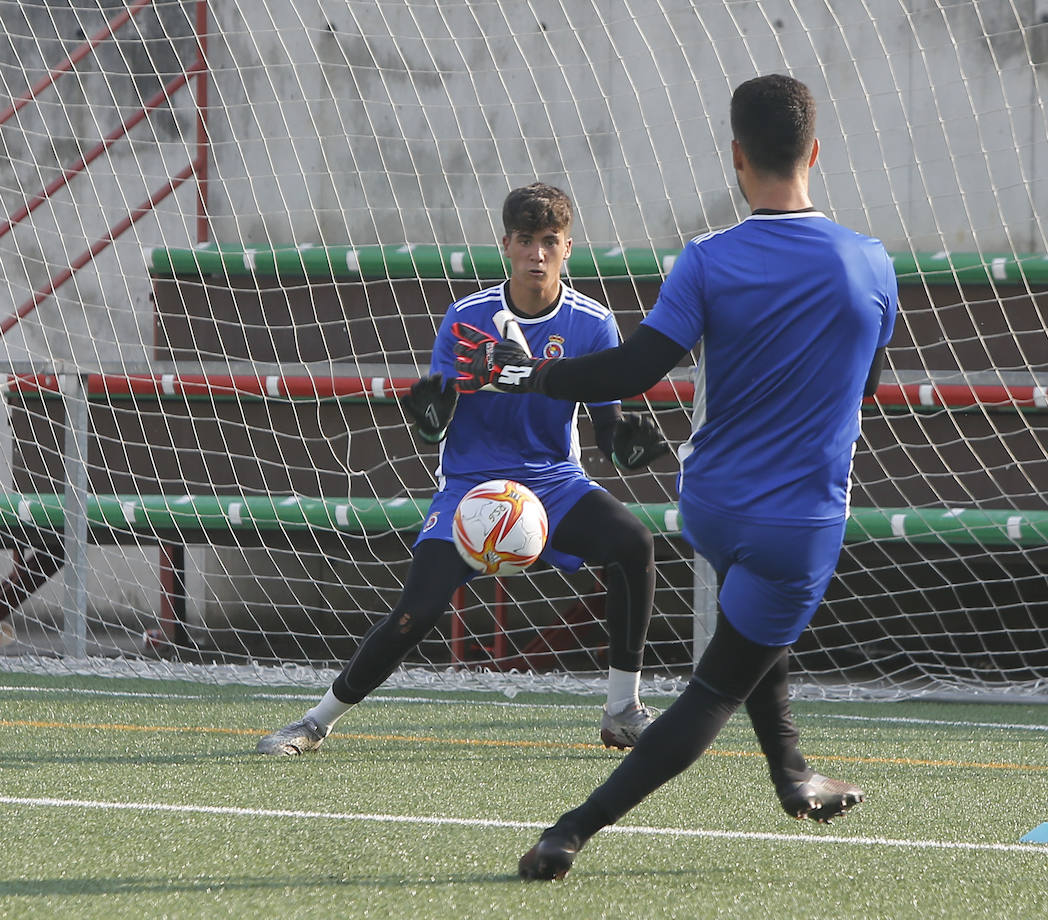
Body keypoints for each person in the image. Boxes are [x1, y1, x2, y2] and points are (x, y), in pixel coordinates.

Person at [453, 75, 898, 880]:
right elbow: (866, 387)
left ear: (736, 157)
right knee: (717, 686)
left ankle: (793, 774)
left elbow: (636, 366)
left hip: (712, 504)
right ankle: (572, 828)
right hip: (798, 520)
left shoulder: (707, 259)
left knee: (752, 625)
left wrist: (533, 377)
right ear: (816, 152)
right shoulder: (868, 262)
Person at [256, 182, 672, 756]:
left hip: (552, 483)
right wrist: (429, 419)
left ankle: (622, 710)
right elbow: (437, 422)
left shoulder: (593, 324)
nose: (537, 255)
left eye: (549, 241)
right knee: (416, 611)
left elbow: (608, 428)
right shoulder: (467, 317)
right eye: (526, 240)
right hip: (470, 489)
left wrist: (627, 444)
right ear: (506, 244)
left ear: (568, 247)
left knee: (634, 543)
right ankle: (315, 721)